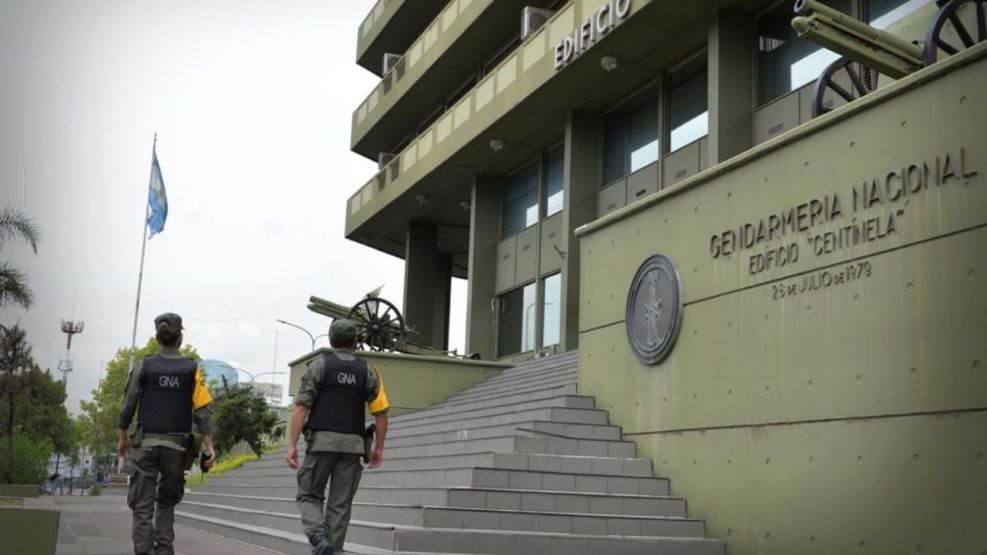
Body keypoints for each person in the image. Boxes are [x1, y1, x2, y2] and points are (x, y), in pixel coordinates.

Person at [287, 318, 390, 555]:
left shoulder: (319, 366)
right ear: (355, 342)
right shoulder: (368, 371)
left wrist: (291, 445)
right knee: (340, 505)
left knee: (309, 495)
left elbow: (302, 407)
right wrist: (379, 448)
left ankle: (319, 538)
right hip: (353, 447)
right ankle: (331, 550)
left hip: (321, 442)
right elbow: (381, 413)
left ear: (332, 341)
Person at [117, 312, 216, 555]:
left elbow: (128, 404)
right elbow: (202, 411)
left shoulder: (145, 365)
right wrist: (209, 446)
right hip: (177, 448)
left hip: (146, 445)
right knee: (166, 503)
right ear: (180, 338)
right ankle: (164, 550)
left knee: (142, 505)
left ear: (157, 337)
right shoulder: (193, 369)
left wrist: (122, 436)